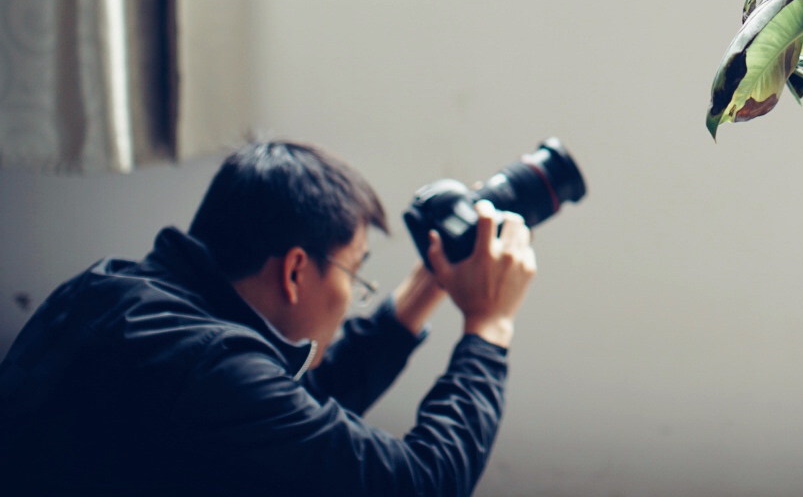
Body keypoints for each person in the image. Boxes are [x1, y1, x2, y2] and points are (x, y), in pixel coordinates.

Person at [0, 140, 538, 496]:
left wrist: (427, 289)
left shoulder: (108, 290)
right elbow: (422, 482)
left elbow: (294, 417)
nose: (352, 296)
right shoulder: (211, 371)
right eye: (354, 273)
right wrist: (490, 325)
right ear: (296, 271)